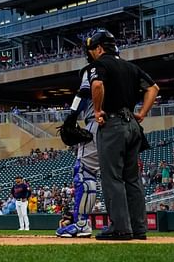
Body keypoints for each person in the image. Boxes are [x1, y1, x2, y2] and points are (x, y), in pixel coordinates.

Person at [88, 29, 158, 241]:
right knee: (132, 179)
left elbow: (97, 84)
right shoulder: (131, 67)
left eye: (93, 49)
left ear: (100, 48)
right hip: (133, 125)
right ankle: (138, 228)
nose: (91, 53)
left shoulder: (101, 64)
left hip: (113, 124)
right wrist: (143, 113)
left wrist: (98, 110)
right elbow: (153, 88)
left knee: (113, 178)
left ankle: (120, 228)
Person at [56, 63, 99, 238]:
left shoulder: (95, 68)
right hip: (127, 126)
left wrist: (71, 116)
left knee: (84, 173)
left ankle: (81, 224)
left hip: (99, 122)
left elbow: (84, 92)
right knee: (122, 178)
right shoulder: (128, 69)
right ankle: (130, 224)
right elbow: (152, 88)